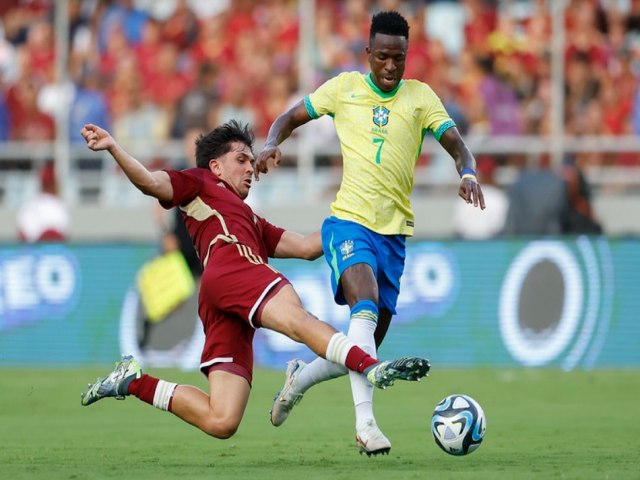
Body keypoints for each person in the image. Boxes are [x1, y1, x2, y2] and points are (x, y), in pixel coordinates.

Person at [78, 120, 430, 441]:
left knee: (222, 420)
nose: (251, 168)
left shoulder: (251, 220)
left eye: (251, 161)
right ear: (216, 165)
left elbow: (308, 247)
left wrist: (354, 216)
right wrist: (113, 147)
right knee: (298, 320)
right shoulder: (198, 181)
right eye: (242, 160)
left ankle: (133, 381)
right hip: (233, 269)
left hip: (218, 296)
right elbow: (151, 182)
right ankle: (369, 367)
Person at [255, 11, 485, 456]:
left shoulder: (420, 98)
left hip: (394, 237)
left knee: (360, 351)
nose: (390, 67)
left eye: (398, 58)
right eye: (382, 57)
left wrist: (468, 171)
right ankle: (367, 427)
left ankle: (299, 379)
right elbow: (290, 116)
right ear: (368, 54)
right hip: (348, 223)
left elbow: (456, 142)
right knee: (363, 307)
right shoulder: (343, 89)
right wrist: (270, 143)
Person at [16, 160, 71, 242]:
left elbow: (22, 233)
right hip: (51, 252)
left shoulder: (29, 205)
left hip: (30, 252)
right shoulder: (58, 206)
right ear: (54, 183)